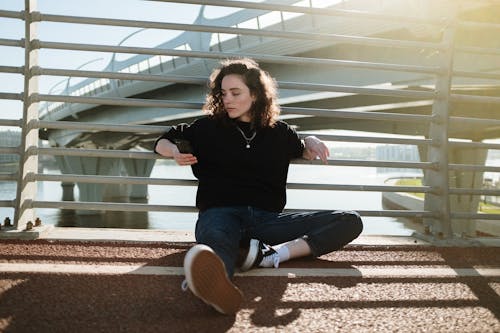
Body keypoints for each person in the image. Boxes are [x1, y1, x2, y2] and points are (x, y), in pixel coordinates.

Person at [154, 58, 363, 315]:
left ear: (255, 94)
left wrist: (312, 138)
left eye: (235, 93)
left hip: (267, 222)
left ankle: (272, 255)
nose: (227, 99)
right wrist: (174, 150)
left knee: (350, 220)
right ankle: (212, 284)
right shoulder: (206, 127)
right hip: (220, 214)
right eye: (223, 93)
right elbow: (162, 140)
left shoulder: (280, 132)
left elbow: (304, 148)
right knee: (217, 241)